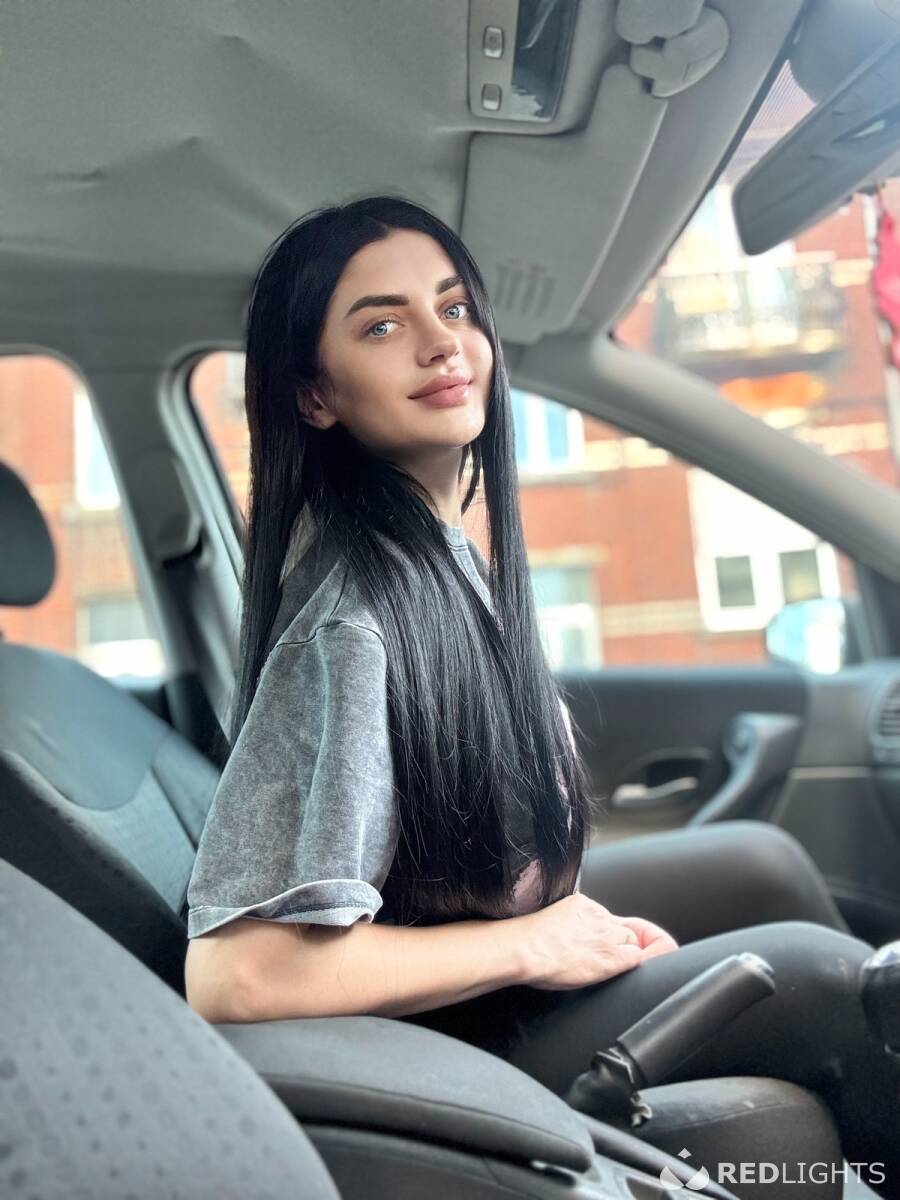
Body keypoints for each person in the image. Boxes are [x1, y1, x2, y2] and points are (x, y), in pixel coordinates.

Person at [183, 194, 900, 1195]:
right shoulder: (349, 628)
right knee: (823, 979)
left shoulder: (436, 559)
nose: (442, 342)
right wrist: (530, 941)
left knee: (763, 863)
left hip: (476, 992)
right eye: (381, 326)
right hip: (449, 1054)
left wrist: (556, 922)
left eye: (453, 308)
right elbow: (237, 977)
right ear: (315, 396)